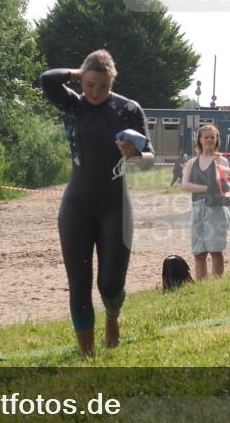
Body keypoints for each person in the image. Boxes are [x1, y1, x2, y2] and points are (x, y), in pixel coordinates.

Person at [41, 50, 154, 356]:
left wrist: (135, 155)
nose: (94, 92)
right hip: (76, 205)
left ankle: (113, 316)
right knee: (79, 282)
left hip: (114, 207)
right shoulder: (73, 104)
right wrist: (79, 73)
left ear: (111, 83)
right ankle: (87, 355)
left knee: (110, 284)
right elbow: (47, 79)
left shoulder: (127, 109)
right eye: (89, 85)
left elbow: (150, 160)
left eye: (102, 86)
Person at [181, 124, 230, 280]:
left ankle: (217, 284)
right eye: (206, 137)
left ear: (217, 139)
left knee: (216, 250)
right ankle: (202, 285)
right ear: (200, 140)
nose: (209, 140)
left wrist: (220, 182)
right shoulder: (191, 162)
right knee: (199, 252)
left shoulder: (221, 160)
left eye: (212, 137)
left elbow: (225, 187)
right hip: (197, 208)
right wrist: (208, 187)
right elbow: (185, 185)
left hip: (216, 209)